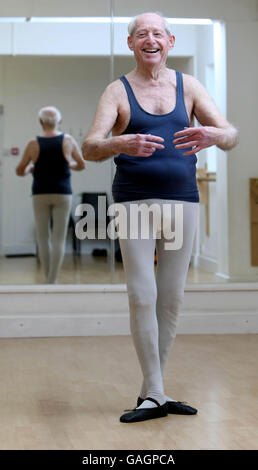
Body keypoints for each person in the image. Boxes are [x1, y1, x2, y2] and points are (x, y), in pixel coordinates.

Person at [82, 12, 239, 423]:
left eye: (157, 33)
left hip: (182, 200)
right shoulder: (117, 91)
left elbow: (231, 135)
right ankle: (155, 392)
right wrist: (121, 142)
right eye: (141, 34)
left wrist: (212, 135)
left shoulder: (190, 87)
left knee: (171, 299)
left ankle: (152, 392)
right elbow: (90, 147)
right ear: (131, 44)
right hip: (133, 202)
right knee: (142, 295)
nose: (150, 39)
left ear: (169, 42)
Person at [16, 106, 85, 283]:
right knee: (59, 238)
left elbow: (19, 170)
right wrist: (69, 165)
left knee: (43, 236)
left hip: (40, 193)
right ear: (59, 121)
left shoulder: (33, 143)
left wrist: (30, 169)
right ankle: (52, 281)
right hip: (62, 193)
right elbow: (81, 165)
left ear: (40, 121)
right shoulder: (68, 140)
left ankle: (47, 278)